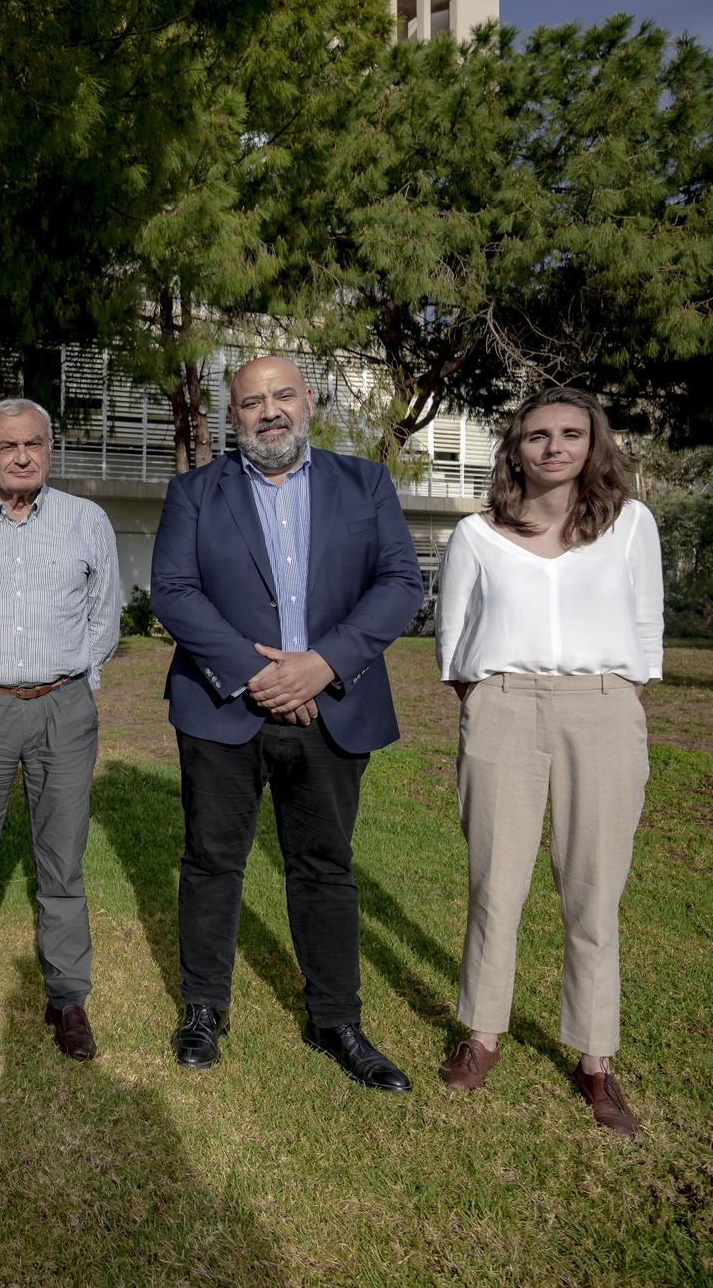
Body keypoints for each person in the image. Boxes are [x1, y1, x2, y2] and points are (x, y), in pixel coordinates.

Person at [150, 354, 422, 1090]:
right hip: (223, 709)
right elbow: (173, 590)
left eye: (281, 396)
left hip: (334, 707)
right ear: (231, 416)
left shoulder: (364, 484)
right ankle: (204, 1006)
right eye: (250, 402)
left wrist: (323, 664)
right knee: (212, 863)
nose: (267, 411)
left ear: (308, 402)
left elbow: (401, 582)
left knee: (324, 867)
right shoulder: (195, 493)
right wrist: (261, 674)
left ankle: (338, 1018)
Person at [434, 387, 660, 1136]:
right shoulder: (476, 535)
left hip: (602, 707)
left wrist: (618, 693)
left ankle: (595, 1060)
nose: (553, 447)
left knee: (593, 892)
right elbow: (454, 636)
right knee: (495, 883)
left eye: (570, 434)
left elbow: (646, 624)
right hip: (501, 705)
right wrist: (488, 700)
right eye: (537, 435)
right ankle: (483, 1033)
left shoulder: (630, 527)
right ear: (515, 448)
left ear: (593, 444)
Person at [0, 398, 121, 1061]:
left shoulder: (86, 521)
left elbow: (104, 617)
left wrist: (74, 679)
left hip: (63, 707)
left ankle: (68, 997)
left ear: (49, 450)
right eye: (7, 446)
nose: (21, 455)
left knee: (62, 861)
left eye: (33, 443)